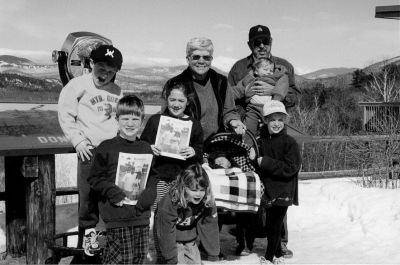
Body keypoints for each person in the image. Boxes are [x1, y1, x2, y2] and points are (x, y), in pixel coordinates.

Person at [228, 25, 300, 257]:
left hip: (274, 132)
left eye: (265, 41)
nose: (261, 46)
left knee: (278, 183)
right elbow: (230, 96)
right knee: (247, 182)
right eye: (256, 42)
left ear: (271, 42)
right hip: (247, 132)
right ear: (249, 44)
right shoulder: (239, 67)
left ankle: (280, 240)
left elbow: (295, 95)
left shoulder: (283, 65)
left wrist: (272, 93)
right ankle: (243, 238)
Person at [57, 44, 123, 253]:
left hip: (113, 152)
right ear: (92, 64)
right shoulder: (77, 85)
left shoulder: (118, 91)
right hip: (90, 151)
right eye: (101, 67)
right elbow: (66, 115)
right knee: (88, 199)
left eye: (111, 70)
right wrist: (78, 140)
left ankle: (110, 243)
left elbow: (125, 118)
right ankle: (87, 245)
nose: (105, 73)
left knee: (111, 196)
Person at [87, 95, 157, 264]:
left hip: (140, 215)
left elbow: (153, 177)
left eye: (135, 118)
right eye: (125, 118)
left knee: (138, 259)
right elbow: (94, 177)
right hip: (116, 215)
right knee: (119, 260)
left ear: (142, 120)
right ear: (117, 119)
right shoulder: (107, 147)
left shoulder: (146, 148)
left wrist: (148, 196)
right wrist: (112, 192)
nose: (130, 123)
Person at [140, 82, 204, 263]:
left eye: (180, 100)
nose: (176, 104)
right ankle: (163, 256)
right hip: (159, 177)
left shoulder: (193, 124)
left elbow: (200, 149)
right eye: (172, 99)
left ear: (187, 102)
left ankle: (179, 253)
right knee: (161, 216)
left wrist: (194, 152)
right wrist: (149, 148)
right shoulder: (156, 120)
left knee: (180, 215)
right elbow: (143, 144)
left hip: (182, 180)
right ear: (166, 99)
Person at [162, 37, 246, 143]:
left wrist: (234, 120)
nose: (201, 61)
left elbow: (229, 111)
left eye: (206, 57)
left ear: (211, 59)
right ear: (188, 59)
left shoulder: (221, 82)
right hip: (184, 143)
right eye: (196, 57)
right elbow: (166, 118)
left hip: (216, 143)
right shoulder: (174, 84)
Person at [256, 100, 301, 264]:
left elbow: (291, 167)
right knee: (270, 223)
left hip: (284, 189)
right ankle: (278, 255)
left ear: (284, 121)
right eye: (272, 119)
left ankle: (269, 256)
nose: (276, 124)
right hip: (268, 188)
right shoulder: (261, 141)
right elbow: (256, 162)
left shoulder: (290, 142)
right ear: (265, 120)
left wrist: (266, 162)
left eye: (280, 120)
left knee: (275, 223)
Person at [155, 163, 220, 264]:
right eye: (194, 190)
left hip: (189, 237)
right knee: (175, 261)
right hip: (168, 236)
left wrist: (213, 253)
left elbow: (209, 226)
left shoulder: (207, 201)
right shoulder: (170, 202)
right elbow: (165, 231)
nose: (198, 194)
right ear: (184, 187)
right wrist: (170, 257)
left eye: (202, 190)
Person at [232, 57, 289, 136]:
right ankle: (248, 145)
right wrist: (227, 95)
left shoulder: (276, 77)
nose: (269, 72)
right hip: (253, 108)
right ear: (256, 71)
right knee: (249, 128)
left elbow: (282, 86)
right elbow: (238, 90)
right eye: (265, 70)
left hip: (270, 109)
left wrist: (276, 99)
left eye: (271, 70)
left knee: (273, 129)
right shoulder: (249, 79)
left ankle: (275, 144)